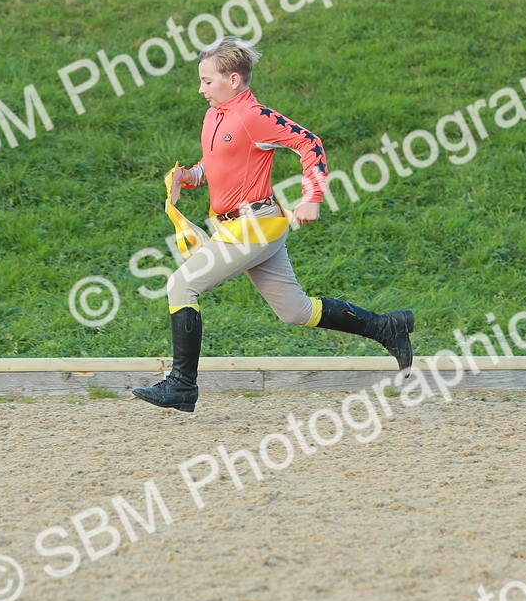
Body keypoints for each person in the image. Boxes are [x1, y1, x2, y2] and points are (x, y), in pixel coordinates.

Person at [132, 36, 415, 414]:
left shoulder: (254, 116)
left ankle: (182, 385)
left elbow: (309, 143)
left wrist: (312, 198)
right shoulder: (216, 115)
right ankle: (386, 327)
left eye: (207, 81)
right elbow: (219, 161)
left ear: (234, 80)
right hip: (238, 227)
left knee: (181, 284)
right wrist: (192, 175)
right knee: (295, 311)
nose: (200, 89)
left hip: (255, 226)